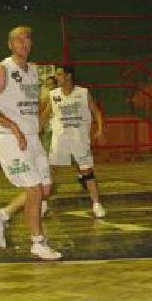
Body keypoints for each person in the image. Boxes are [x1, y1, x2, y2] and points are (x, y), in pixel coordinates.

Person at [0, 26, 61, 259]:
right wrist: (13, 126)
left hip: (31, 137)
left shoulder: (33, 71)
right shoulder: (3, 69)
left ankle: (2, 215)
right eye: (19, 39)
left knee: (45, 188)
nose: (25, 43)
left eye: (28, 39)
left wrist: (46, 113)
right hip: (11, 138)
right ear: (10, 44)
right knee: (35, 191)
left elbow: (30, 108)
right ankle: (37, 242)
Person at [40, 65, 107, 218]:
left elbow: (96, 111)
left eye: (59, 74)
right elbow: (45, 115)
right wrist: (34, 132)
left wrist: (100, 129)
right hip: (60, 138)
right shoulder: (54, 94)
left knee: (86, 171)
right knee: (50, 170)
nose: (57, 77)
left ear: (69, 76)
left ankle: (96, 204)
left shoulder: (83, 93)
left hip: (79, 138)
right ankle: (43, 203)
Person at [39, 76, 57, 153]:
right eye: (47, 85)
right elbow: (42, 111)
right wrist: (42, 124)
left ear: (56, 84)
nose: (49, 86)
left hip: (59, 124)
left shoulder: (62, 95)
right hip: (48, 123)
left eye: (51, 84)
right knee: (46, 142)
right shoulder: (45, 97)